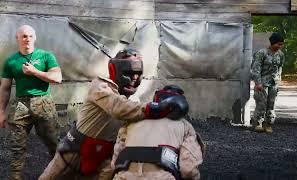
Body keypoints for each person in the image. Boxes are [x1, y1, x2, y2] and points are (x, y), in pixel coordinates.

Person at [39, 48, 182, 180]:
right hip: (74, 152)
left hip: (104, 157)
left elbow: (134, 126)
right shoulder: (100, 87)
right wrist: (157, 108)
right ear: (114, 70)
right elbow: (119, 108)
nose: (134, 78)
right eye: (130, 73)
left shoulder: (133, 101)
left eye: (138, 74)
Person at [0, 25, 62, 180]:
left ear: (35, 38)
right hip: (20, 105)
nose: (27, 39)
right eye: (23, 36)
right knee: (16, 145)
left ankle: (59, 175)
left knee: (54, 142)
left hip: (43, 102)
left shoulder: (46, 56)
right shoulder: (11, 61)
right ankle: (15, 177)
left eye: (30, 36)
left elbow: (57, 78)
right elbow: (5, 88)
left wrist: (35, 72)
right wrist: (1, 111)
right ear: (17, 39)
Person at [111, 85, 204, 180]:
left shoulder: (132, 122)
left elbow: (115, 161)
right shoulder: (185, 126)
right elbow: (188, 169)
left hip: (124, 176)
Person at [251, 32, 285, 133]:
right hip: (262, 83)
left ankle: (268, 124)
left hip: (273, 84)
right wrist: (258, 83)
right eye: (278, 44)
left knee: (271, 104)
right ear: (272, 43)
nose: (280, 46)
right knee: (261, 104)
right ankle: (258, 123)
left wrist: (279, 81)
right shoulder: (262, 53)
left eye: (281, 44)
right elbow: (255, 69)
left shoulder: (281, 55)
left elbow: (280, 68)